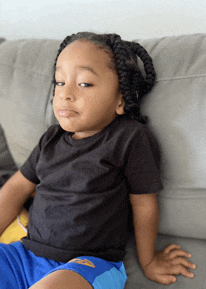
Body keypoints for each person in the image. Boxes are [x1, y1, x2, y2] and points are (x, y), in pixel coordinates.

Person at [0, 32, 196, 289]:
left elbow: (144, 204)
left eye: (84, 84)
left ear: (121, 99)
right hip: (25, 256)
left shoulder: (129, 138)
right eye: (60, 82)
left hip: (88, 265)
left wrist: (148, 262)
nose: (66, 93)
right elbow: (16, 188)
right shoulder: (51, 139)